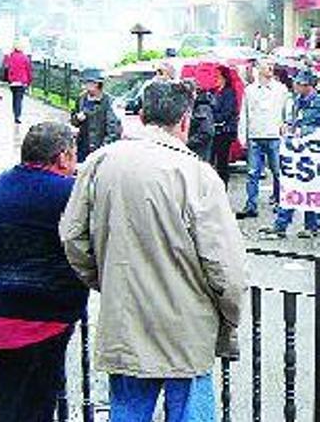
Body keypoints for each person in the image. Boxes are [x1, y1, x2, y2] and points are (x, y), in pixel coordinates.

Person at [58, 80, 248, 420]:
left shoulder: (101, 162)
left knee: (127, 410)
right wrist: (229, 315)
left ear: (142, 115)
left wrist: (107, 279)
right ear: (185, 120)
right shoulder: (198, 175)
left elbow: (74, 238)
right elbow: (226, 268)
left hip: (125, 317)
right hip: (188, 327)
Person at [0, 122, 87, 422]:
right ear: (62, 157)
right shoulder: (67, 192)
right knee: (28, 412)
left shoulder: (4, 181)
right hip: (30, 323)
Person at [259, 69, 320, 240]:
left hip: (315, 154)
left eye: (298, 83)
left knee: (311, 190)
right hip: (297, 152)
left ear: (308, 86)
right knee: (291, 187)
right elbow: (294, 120)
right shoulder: (297, 100)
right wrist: (287, 126)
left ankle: (312, 226)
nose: (295, 85)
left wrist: (303, 131)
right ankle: (281, 225)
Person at [236, 59, 292, 219]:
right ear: (258, 69)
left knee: (278, 171)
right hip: (255, 135)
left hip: (274, 135)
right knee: (252, 172)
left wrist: (286, 126)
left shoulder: (281, 89)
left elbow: (286, 110)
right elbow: (244, 113)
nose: (270, 68)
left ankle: (281, 202)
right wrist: (243, 136)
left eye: (272, 66)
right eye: (267, 65)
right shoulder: (250, 90)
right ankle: (251, 204)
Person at [70, 68, 123, 162]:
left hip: (98, 148)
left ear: (96, 84)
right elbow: (74, 122)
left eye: (87, 82)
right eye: (84, 82)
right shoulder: (81, 99)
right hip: (82, 147)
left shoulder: (108, 102)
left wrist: (102, 150)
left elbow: (114, 130)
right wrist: (77, 118)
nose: (84, 85)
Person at [211, 65, 242, 185]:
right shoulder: (212, 92)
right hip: (213, 131)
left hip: (224, 131)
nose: (216, 78)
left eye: (218, 76)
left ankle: (223, 186)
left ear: (224, 77)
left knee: (222, 162)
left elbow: (227, 112)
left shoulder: (229, 92)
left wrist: (214, 118)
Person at [3, 41, 34, 124]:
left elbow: (6, 67)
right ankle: (18, 115)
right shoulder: (25, 58)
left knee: (14, 98)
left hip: (12, 81)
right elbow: (29, 70)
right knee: (19, 99)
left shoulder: (10, 57)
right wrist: (30, 81)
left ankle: (15, 113)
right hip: (22, 82)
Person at [187, 79, 216, 161]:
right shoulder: (194, 106)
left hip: (199, 152)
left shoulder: (202, 107)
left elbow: (207, 132)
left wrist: (188, 142)